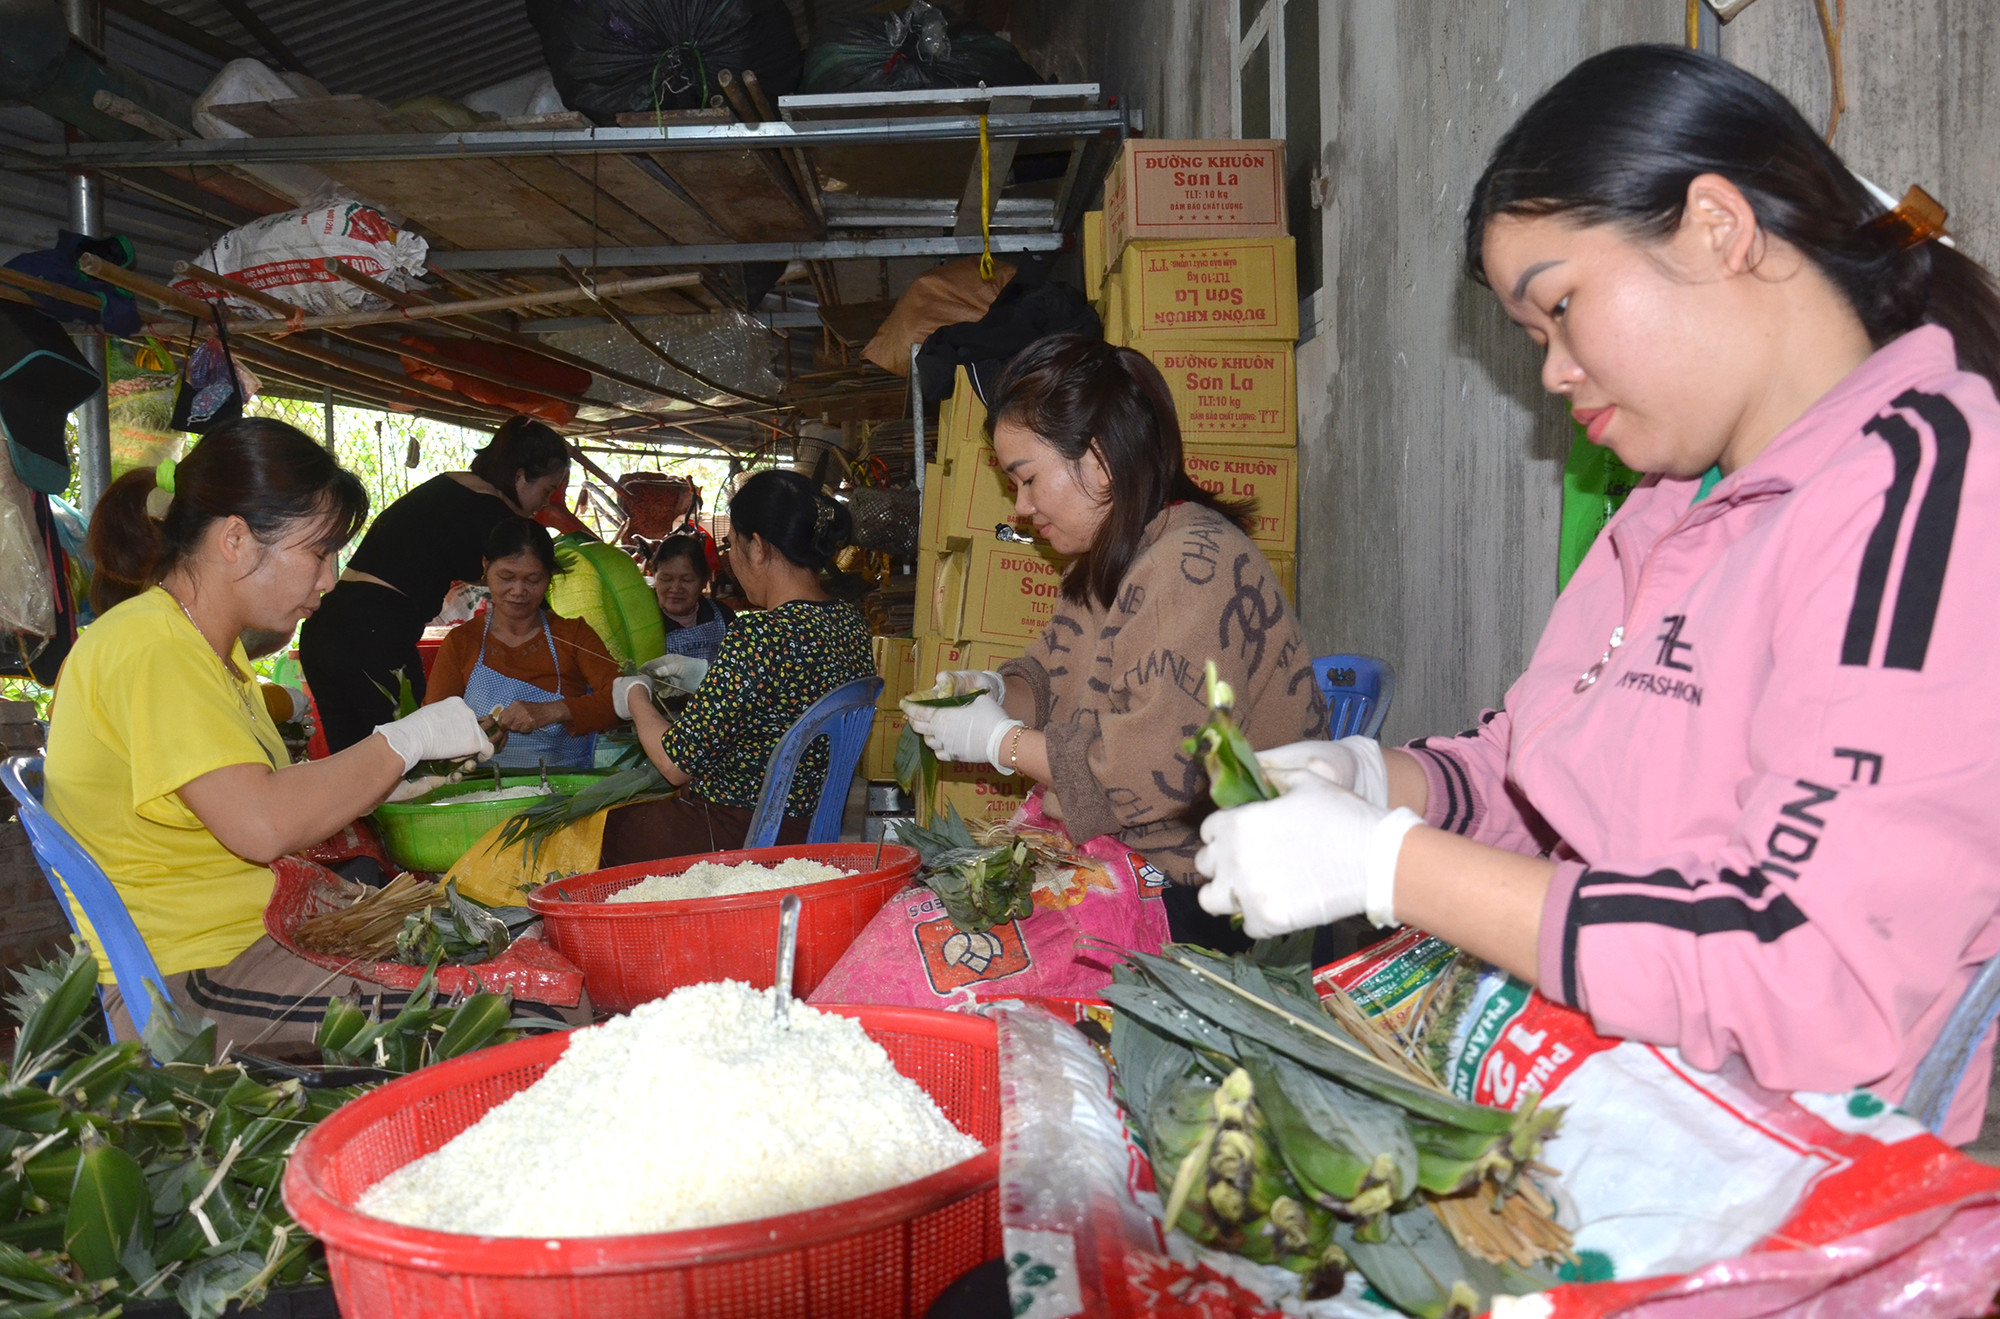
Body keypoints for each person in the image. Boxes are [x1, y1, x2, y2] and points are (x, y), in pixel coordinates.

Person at [1196, 46, 2000, 1141]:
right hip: (1603, 1086)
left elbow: (1808, 965)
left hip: (1768, 1165)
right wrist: (1377, 778)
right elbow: (1536, 772)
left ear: (1715, 228)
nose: (1553, 373)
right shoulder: (1669, 505)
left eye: (1560, 309)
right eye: (1533, 338)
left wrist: (1385, 863)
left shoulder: (1918, 493)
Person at [47, 417, 501, 1050]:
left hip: (247, 935)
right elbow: (260, 825)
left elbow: (256, 794)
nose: (330, 578)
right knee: (507, 1013)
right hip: (190, 974)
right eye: (317, 551)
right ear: (236, 538)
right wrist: (405, 740)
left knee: (506, 954)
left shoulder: (211, 651)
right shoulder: (152, 647)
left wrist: (383, 782)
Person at [902, 334, 1324, 946]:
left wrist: (999, 742)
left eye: (1027, 480)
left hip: (1223, 889)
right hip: (1153, 858)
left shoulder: (1187, 568)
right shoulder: (1110, 559)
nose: (1019, 507)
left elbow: (1143, 774)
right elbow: (1049, 677)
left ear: (1098, 461)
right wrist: (993, 692)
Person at [609, 471, 873, 863]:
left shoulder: (760, 633)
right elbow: (786, 696)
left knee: (600, 830)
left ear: (759, 547)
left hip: (736, 833)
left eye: (731, 544)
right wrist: (706, 675)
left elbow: (675, 763)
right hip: (812, 828)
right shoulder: (851, 623)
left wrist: (634, 696)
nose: (730, 558)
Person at [299, 414, 571, 752]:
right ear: (519, 477)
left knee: (351, 759)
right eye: (546, 490)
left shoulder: (452, 485)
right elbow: (530, 597)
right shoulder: (493, 514)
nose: (545, 503)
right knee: (401, 754)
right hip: (372, 632)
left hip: (325, 626)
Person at [422, 519, 623, 770]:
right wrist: (471, 735)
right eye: (506, 577)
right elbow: (430, 724)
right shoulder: (462, 641)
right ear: (486, 567)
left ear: (549, 578)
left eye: (533, 580)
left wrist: (555, 711)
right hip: (479, 791)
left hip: (564, 794)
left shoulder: (573, 635)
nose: (518, 591)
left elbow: (623, 699)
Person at [649, 533, 733, 665]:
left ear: (703, 581)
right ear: (653, 575)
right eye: (666, 579)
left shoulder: (723, 616)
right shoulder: (643, 623)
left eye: (686, 580)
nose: (675, 588)